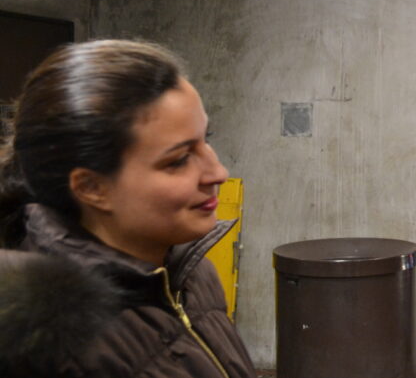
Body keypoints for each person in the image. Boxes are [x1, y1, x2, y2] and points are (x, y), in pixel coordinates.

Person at [0, 40, 256, 378]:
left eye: (205, 140)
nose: (218, 173)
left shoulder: (189, 271)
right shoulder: (57, 345)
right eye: (179, 160)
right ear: (92, 188)